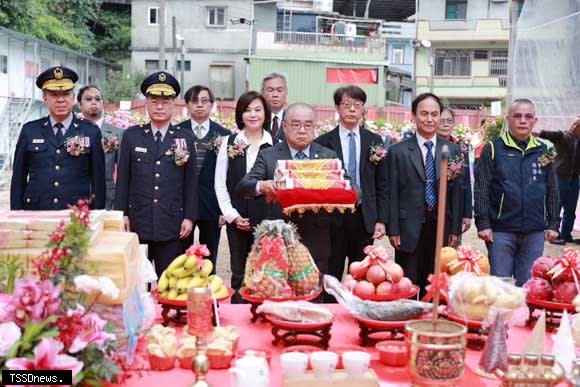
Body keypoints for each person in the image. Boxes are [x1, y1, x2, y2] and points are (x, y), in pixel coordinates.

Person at [236, 103, 338, 278]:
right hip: (278, 240)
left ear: (315, 128)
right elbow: (244, 185)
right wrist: (262, 185)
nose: (302, 130)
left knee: (312, 296)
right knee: (276, 295)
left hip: (315, 240)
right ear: (284, 126)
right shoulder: (268, 155)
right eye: (296, 124)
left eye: (308, 125)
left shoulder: (328, 156)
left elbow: (350, 187)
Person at [114, 71, 197, 278]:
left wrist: (189, 216)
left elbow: (190, 183)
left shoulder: (185, 138)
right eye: (154, 101)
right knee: (136, 281)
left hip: (171, 222)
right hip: (138, 220)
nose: (160, 107)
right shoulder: (132, 137)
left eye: (165, 102)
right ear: (146, 104)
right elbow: (123, 180)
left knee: (168, 280)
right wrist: (121, 213)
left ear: (174, 105)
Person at [474, 99, 560, 286]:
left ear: (534, 121)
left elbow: (552, 187)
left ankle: (524, 317)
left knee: (529, 287)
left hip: (534, 231)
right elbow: (482, 187)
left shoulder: (545, 150)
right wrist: (483, 222)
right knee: (500, 286)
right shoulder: (493, 149)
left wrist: (553, 223)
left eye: (528, 117)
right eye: (517, 116)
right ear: (508, 119)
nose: (523, 120)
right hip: (500, 231)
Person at [387, 93, 462, 294]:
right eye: (424, 114)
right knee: (408, 285)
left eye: (434, 114)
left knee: (435, 285)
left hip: (440, 225)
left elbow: (456, 194)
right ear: (413, 115)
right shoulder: (398, 151)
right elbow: (392, 191)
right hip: (408, 226)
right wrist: (393, 228)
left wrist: (455, 229)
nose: (429, 119)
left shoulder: (452, 150)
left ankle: (430, 322)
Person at [315, 85, 388, 283]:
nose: (352, 109)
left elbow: (382, 183)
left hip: (364, 217)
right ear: (337, 108)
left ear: (363, 109)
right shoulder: (322, 143)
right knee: (331, 272)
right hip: (333, 218)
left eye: (357, 105)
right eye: (347, 105)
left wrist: (381, 219)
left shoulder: (374, 141)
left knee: (362, 274)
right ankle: (332, 310)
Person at [11, 66, 106, 210]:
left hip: (77, 215)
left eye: (66, 94)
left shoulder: (90, 132)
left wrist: (98, 215)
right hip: (37, 212)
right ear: (44, 98)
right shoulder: (30, 131)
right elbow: (18, 179)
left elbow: (98, 181)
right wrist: (16, 215)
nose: (61, 100)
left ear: (73, 97)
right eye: (54, 94)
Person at [214, 91, 273, 303]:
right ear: (240, 114)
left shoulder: (275, 144)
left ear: (266, 113)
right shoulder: (229, 143)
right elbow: (220, 184)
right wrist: (232, 215)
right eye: (247, 110)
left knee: (265, 274)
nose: (253, 115)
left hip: (266, 222)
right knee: (239, 274)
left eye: (258, 110)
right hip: (237, 219)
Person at [178, 85, 230, 272]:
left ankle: (208, 294)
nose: (199, 105)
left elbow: (228, 175)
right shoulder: (177, 133)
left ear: (212, 105)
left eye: (204, 101)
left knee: (209, 258)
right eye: (194, 101)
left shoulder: (224, 135)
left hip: (212, 205)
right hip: (182, 205)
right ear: (187, 105)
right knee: (183, 258)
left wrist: (225, 208)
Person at [77, 85, 123, 210]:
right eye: (88, 99)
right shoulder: (72, 132)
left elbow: (123, 172)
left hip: (108, 197)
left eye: (98, 99)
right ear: (79, 104)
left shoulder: (117, 133)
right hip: (76, 194)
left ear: (103, 103)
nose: (94, 102)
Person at [536, 116, 580, 245]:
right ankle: (553, 234)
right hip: (560, 177)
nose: (574, 127)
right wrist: (537, 133)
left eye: (577, 125)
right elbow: (549, 135)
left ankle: (566, 234)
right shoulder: (563, 136)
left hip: (574, 178)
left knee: (570, 209)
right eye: (574, 124)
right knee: (555, 206)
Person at [438, 107, 473, 240]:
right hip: (437, 207)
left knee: (452, 252)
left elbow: (466, 183)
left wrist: (467, 214)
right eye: (442, 121)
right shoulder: (430, 146)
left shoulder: (461, 148)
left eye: (449, 120)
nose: (446, 124)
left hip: (456, 207)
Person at [261, 72, 288, 142]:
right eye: (270, 90)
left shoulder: (293, 119)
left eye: (279, 90)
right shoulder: (255, 119)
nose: (275, 95)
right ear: (262, 93)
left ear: (286, 93)